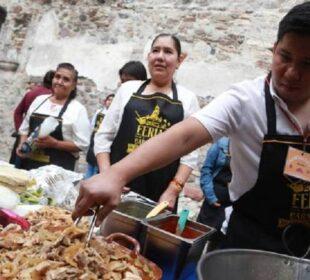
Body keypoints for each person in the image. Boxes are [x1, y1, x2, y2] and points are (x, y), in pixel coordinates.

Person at [73, 2, 310, 257]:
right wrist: (115, 175)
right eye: (285, 57)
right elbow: (186, 136)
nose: (293, 73)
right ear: (273, 49)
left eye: (308, 64)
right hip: (249, 244)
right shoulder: (245, 100)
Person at [94, 34, 200, 209]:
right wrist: (107, 175)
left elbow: (190, 155)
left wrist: (173, 191)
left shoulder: (187, 99)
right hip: (117, 188)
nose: (160, 56)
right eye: (155, 50)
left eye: (168, 51)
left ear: (179, 61)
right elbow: (103, 137)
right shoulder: (127, 90)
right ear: (149, 57)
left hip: (160, 194)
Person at [17, 63, 91, 171]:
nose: (60, 82)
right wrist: (22, 145)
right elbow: (24, 129)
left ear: (73, 85)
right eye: (57, 77)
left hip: (57, 171)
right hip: (28, 165)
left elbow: (83, 144)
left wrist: (55, 144)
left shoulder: (77, 109)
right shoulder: (39, 101)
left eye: (66, 79)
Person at [10, 70, 55, 166]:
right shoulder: (51, 98)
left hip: (24, 137)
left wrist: (21, 132)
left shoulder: (31, 93)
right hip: (39, 142)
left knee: (17, 168)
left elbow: (17, 113)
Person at [197, 137, 232, 232]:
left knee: (221, 239)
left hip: (231, 204)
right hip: (213, 200)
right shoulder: (220, 145)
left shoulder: (247, 150)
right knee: (201, 233)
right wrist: (210, 196)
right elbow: (206, 170)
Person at [85, 93, 115, 179]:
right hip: (94, 139)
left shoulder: (113, 115)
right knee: (91, 162)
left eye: (112, 101)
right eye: (109, 100)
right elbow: (93, 124)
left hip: (103, 141)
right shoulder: (99, 112)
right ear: (105, 101)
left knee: (98, 165)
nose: (110, 102)